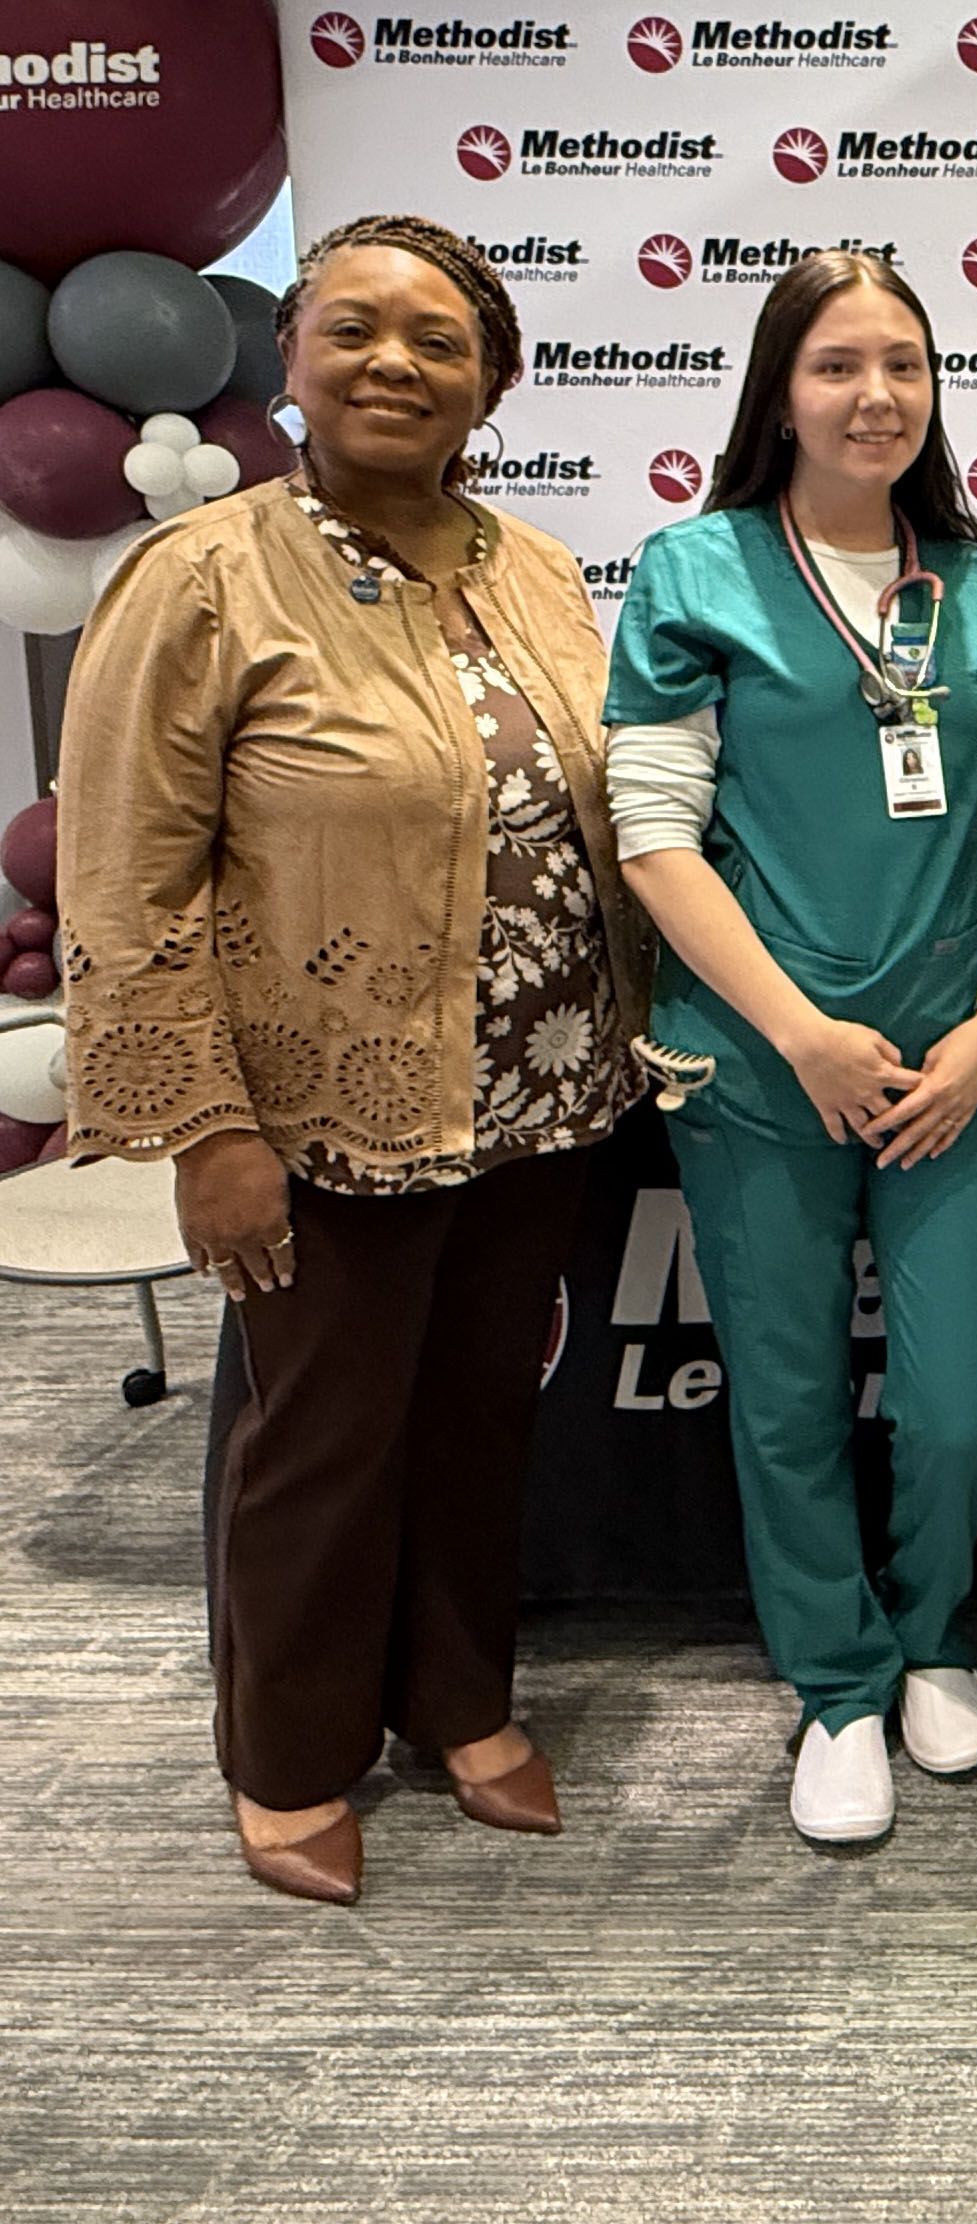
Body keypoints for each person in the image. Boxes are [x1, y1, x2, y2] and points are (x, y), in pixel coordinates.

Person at [57, 213, 651, 1905]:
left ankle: (460, 1700)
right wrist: (203, 1127)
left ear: (495, 381)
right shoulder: (201, 577)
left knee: (480, 1414)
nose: (396, 361)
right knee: (322, 1432)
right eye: (356, 329)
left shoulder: (530, 563)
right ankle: (294, 1754)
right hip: (324, 1105)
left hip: (544, 1093)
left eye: (438, 340)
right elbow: (123, 876)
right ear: (294, 359)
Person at [603, 251, 977, 1849]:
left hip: (949, 1069)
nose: (876, 396)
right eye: (837, 365)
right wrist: (799, 1035)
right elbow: (653, 835)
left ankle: (934, 1631)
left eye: (907, 366)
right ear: (778, 392)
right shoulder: (697, 572)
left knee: (953, 1403)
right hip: (757, 1057)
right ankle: (841, 1683)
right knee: (788, 1395)